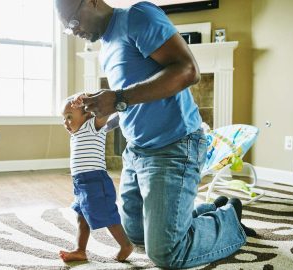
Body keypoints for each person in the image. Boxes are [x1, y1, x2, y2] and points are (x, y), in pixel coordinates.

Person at [54, 0, 256, 268]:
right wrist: (107, 111)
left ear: (91, 1)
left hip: (174, 145)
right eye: (68, 29)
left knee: (167, 253)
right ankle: (207, 211)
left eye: (73, 23)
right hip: (136, 152)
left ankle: (228, 216)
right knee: (136, 235)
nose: (74, 32)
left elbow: (188, 70)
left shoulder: (138, 16)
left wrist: (118, 98)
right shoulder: (105, 48)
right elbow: (131, 102)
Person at [59, 94, 133, 262]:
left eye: (69, 117)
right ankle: (80, 250)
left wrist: (88, 101)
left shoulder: (93, 125)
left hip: (95, 181)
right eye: (64, 118)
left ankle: (125, 245)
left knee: (106, 214)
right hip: (81, 184)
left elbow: (105, 111)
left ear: (86, 114)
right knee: (81, 216)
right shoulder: (76, 134)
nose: (66, 122)